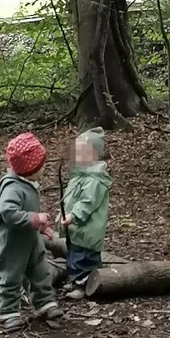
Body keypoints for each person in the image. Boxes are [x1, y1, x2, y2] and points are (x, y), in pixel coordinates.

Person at [0, 132, 64, 332]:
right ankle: (7, 313)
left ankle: (45, 303)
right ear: (29, 169)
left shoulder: (27, 183)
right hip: (11, 244)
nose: (43, 170)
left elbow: (27, 214)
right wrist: (34, 218)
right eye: (40, 167)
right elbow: (7, 212)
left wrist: (42, 227)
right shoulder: (12, 188)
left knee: (40, 271)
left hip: (30, 241)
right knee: (11, 276)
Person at [60, 127, 112, 300]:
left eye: (84, 153)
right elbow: (71, 198)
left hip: (87, 229)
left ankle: (84, 284)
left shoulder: (94, 179)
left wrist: (74, 216)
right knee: (75, 254)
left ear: (95, 155)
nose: (79, 157)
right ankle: (77, 280)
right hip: (77, 228)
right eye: (77, 152)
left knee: (84, 257)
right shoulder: (80, 176)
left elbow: (87, 202)